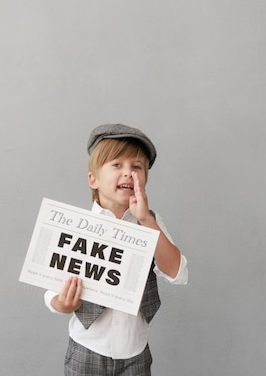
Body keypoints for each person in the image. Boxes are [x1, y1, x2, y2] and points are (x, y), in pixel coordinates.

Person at [44, 123, 188, 376]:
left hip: (136, 354)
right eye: (116, 164)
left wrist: (147, 221)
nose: (128, 173)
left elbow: (177, 272)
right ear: (94, 179)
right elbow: (51, 288)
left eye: (137, 167)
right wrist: (61, 303)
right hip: (87, 350)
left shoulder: (151, 223)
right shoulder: (77, 227)